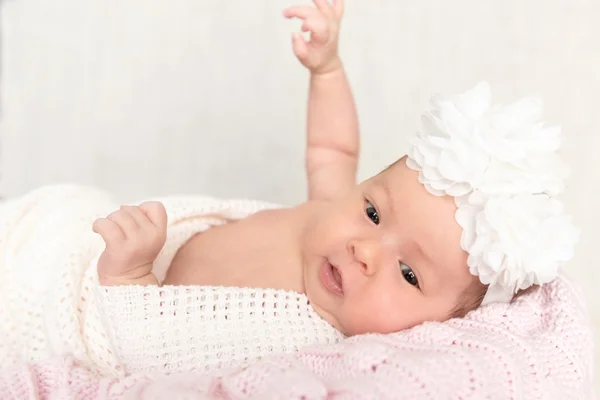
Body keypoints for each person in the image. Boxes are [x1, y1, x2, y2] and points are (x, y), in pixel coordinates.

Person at [93, 0, 579, 337]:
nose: (364, 249)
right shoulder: (326, 212)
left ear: (438, 329)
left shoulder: (303, 341)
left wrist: (132, 277)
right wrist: (326, 69)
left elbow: (158, 355)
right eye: (372, 212)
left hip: (115, 301)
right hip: (99, 241)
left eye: (409, 274)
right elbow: (331, 149)